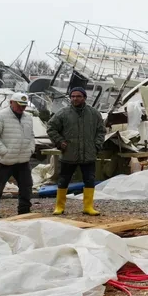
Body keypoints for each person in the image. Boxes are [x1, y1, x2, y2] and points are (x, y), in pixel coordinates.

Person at [46, 86, 105, 216]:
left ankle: (88, 206)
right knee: (63, 180)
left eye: (78, 96)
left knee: (89, 180)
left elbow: (101, 131)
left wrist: (97, 145)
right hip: (69, 153)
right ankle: (59, 206)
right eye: (72, 96)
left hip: (89, 154)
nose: (75, 98)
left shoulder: (94, 113)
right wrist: (60, 142)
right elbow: (51, 127)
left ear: (84, 97)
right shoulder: (63, 113)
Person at [0, 92, 35, 219]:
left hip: (23, 159)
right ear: (11, 102)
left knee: (26, 185)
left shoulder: (28, 117)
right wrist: (4, 152)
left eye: (24, 105)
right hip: (4, 160)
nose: (22, 108)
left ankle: (24, 211)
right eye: (19, 105)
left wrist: (31, 149)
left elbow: (31, 135)